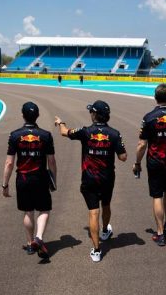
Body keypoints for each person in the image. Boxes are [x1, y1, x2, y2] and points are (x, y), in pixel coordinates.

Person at [54, 101, 127, 262]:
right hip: (107, 178)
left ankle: (96, 250)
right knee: (106, 205)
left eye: (91, 112)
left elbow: (64, 132)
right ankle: (105, 231)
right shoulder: (114, 133)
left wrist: (60, 122)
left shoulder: (85, 131)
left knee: (94, 212)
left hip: (89, 178)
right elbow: (123, 157)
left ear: (94, 114)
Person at [2, 102, 56, 260]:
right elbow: (51, 161)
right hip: (40, 178)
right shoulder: (46, 135)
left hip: (23, 179)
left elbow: (9, 163)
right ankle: (39, 238)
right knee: (44, 209)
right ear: (37, 115)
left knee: (28, 211)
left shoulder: (14, 135)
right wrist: (54, 180)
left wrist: (5, 184)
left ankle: (30, 243)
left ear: (22, 115)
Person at [134, 83, 166, 246]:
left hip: (155, 161)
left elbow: (142, 145)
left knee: (157, 195)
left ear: (155, 97)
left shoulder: (148, 117)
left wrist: (137, 162)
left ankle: (160, 232)